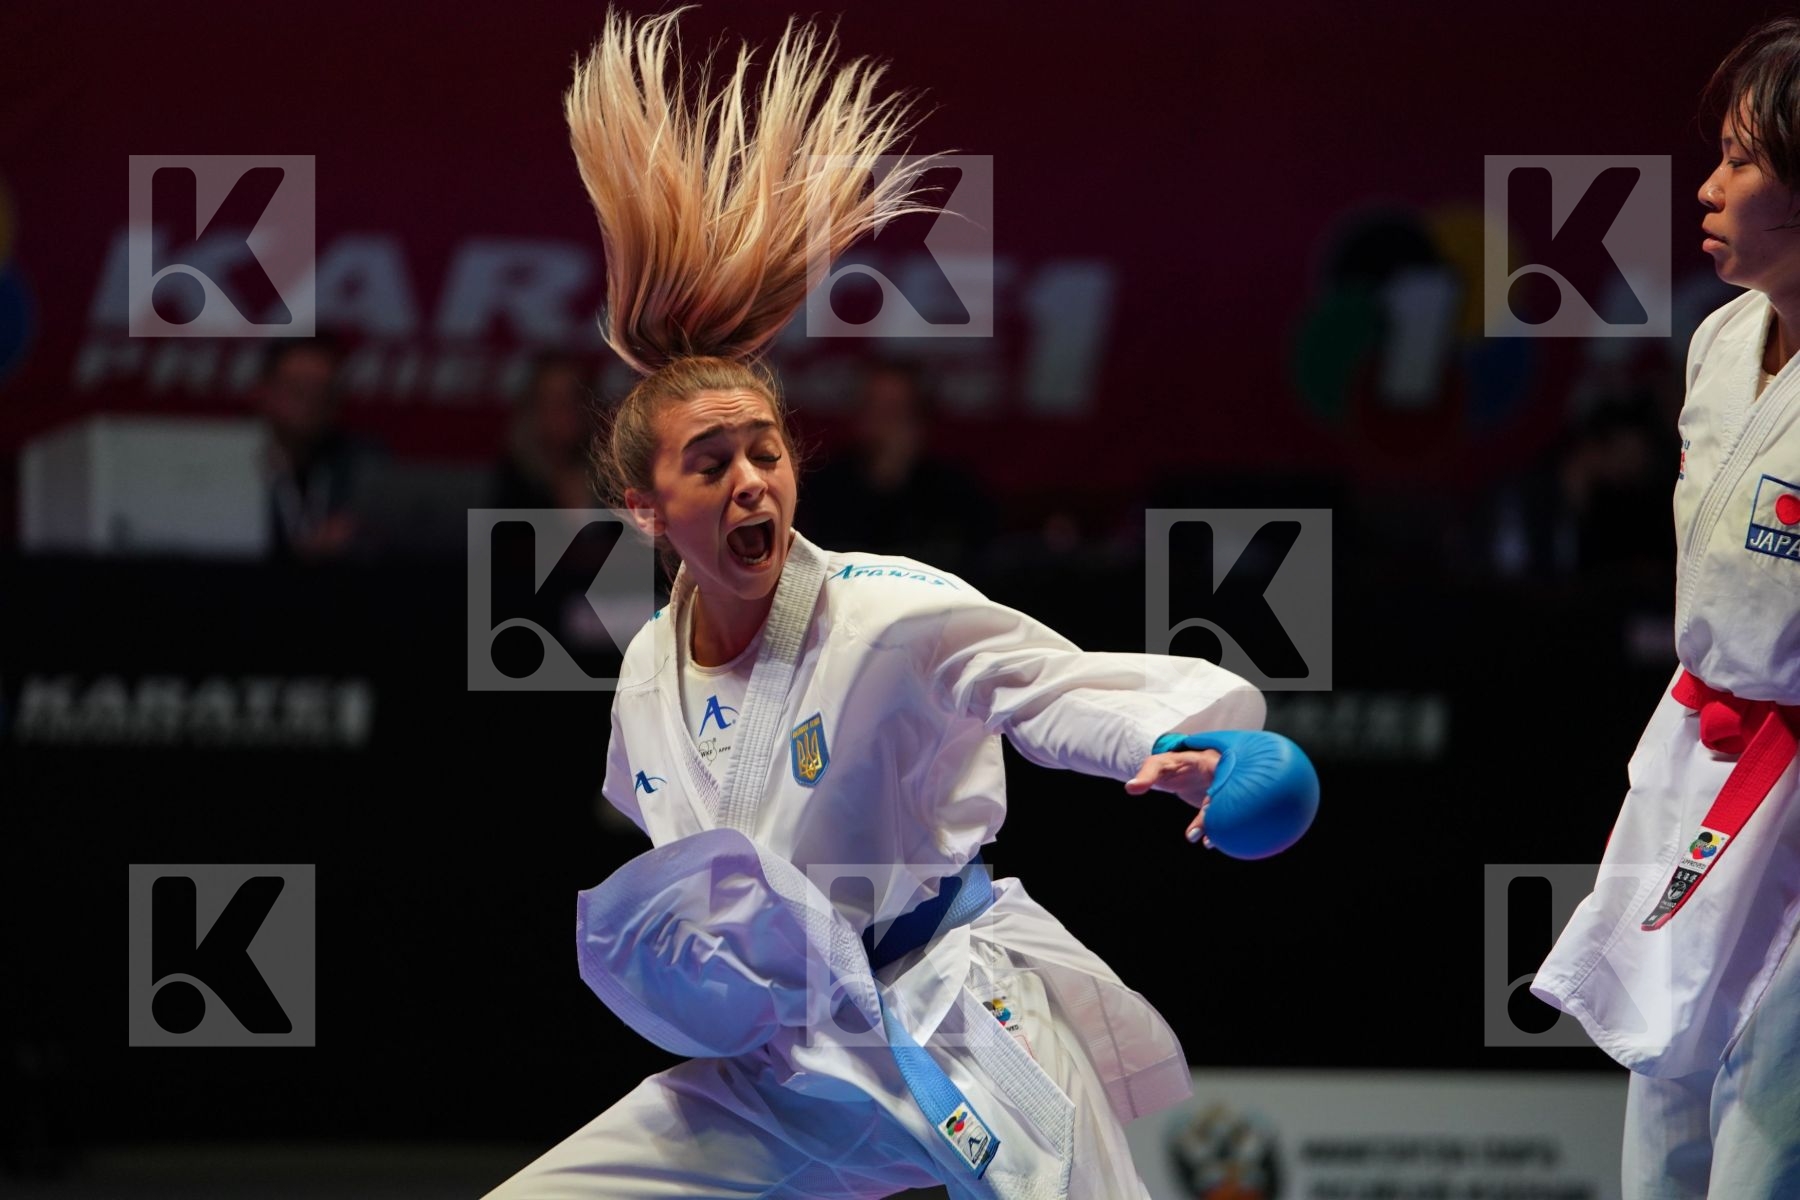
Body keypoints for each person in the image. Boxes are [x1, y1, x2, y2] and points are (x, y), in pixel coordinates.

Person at [486, 9, 1317, 1198]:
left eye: (765, 450)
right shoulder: (644, 678)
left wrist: (1182, 745)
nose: (751, 481)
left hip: (957, 1011)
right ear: (646, 509)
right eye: (710, 465)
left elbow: (1044, 688)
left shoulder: (886, 612)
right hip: (789, 1063)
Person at [1530, 18, 1800, 1197]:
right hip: (1705, 762)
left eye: (1742, 160)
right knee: (1664, 1112)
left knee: (1767, 1132)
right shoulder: (1720, 342)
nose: (1707, 186)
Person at [254, 333, 383, 562]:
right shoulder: (228, 463)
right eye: (297, 388)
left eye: (323, 389)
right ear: (265, 391)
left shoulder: (365, 463)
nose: (310, 400)